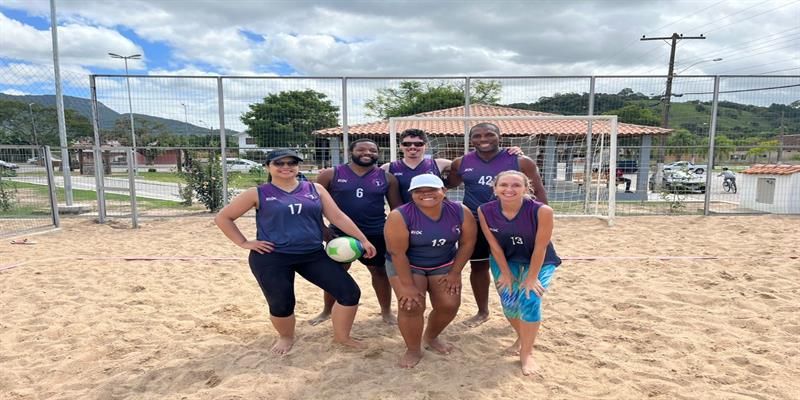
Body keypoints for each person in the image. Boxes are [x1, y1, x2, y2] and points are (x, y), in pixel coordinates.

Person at [214, 149, 377, 355]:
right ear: (268, 167)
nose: (286, 167)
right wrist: (244, 242)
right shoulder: (258, 193)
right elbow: (223, 218)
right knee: (282, 303)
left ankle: (342, 337)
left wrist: (362, 239)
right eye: (279, 163)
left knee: (349, 292)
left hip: (312, 254)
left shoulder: (314, 189)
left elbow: (337, 217)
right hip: (272, 256)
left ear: (298, 166)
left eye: (291, 163)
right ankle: (286, 337)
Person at [447, 122, 547, 327]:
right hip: (476, 221)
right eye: (477, 136)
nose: (483, 139)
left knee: (519, 266)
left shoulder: (520, 161)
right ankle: (482, 311)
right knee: (479, 266)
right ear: (471, 139)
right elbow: (448, 184)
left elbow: (539, 193)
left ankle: (521, 310)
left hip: (513, 223)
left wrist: (541, 223)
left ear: (499, 136)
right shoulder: (461, 163)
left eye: (489, 135)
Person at [384, 174, 477, 368]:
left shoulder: (460, 211)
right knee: (411, 305)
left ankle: (431, 337)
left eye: (432, 190)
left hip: (442, 262)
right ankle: (413, 349)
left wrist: (455, 272)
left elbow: (467, 243)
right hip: (408, 264)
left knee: (449, 304)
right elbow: (397, 253)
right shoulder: (399, 215)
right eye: (419, 191)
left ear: (443, 191)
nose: (426, 194)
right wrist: (407, 286)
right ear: (412, 194)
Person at [310, 139, 403, 326]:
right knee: (336, 273)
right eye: (361, 149)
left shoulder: (387, 178)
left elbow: (397, 210)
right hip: (339, 234)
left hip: (375, 233)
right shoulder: (330, 174)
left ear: (378, 153)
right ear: (350, 151)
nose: (367, 152)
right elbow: (313, 207)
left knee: (379, 272)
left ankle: (386, 312)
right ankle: (326, 311)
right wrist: (324, 230)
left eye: (372, 150)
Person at [477, 170, 561, 376]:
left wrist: (531, 278)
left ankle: (527, 353)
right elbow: (494, 246)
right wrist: (505, 273)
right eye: (503, 185)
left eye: (516, 185)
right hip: (505, 259)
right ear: (495, 188)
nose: (509, 189)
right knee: (509, 302)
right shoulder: (484, 210)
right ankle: (522, 336)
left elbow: (540, 247)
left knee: (530, 298)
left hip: (539, 260)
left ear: (526, 188)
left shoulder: (542, 211)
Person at [381, 128, 525, 203]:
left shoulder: (440, 164)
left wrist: (506, 154)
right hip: (404, 214)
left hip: (434, 212)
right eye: (407, 144)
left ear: (425, 146)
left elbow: (473, 165)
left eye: (418, 144)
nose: (412, 147)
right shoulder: (388, 168)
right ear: (400, 146)